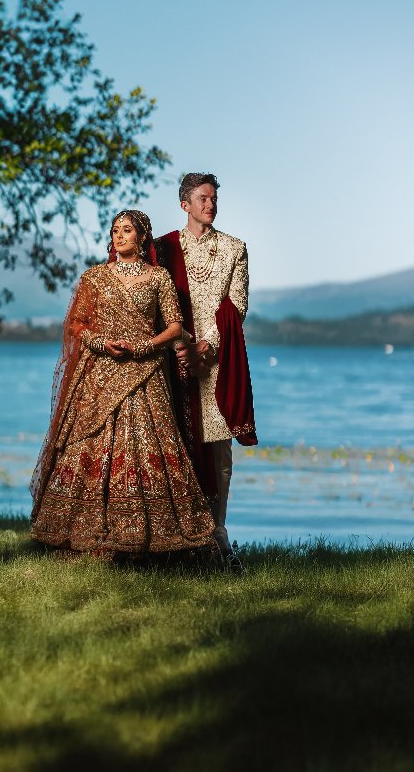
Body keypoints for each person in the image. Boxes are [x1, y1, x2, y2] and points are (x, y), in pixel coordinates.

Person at [30, 209, 215, 557]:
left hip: (146, 372)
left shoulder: (158, 278)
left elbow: (175, 327)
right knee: (89, 444)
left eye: (127, 230)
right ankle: (76, 531)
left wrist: (146, 346)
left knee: (149, 443)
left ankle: (156, 537)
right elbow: (76, 325)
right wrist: (101, 342)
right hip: (99, 373)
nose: (119, 235)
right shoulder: (94, 278)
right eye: (115, 230)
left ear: (142, 237)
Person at [156, 174, 257, 558]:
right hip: (173, 360)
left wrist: (206, 348)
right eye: (202, 198)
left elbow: (237, 305)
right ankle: (175, 539)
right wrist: (182, 346)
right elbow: (153, 305)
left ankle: (217, 535)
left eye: (214, 198)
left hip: (216, 363)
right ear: (185, 204)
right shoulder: (163, 249)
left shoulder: (234, 249)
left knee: (219, 452)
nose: (210, 205)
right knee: (172, 444)